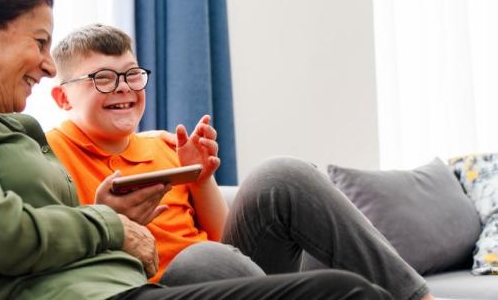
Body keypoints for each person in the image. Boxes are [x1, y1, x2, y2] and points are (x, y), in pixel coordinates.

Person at [0, 0, 394, 300]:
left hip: (119, 284)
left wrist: (179, 186)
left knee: (293, 200)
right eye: (39, 42)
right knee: (341, 294)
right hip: (112, 290)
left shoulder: (15, 128)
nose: (47, 65)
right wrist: (114, 224)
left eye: (131, 75)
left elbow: (62, 235)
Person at [45, 23, 434, 300]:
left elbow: (224, 240)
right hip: (160, 288)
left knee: (281, 174)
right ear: (63, 98)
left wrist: (200, 178)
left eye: (132, 75)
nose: (124, 90)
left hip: (232, 276)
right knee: (200, 260)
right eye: (103, 79)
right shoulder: (48, 154)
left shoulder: (165, 145)